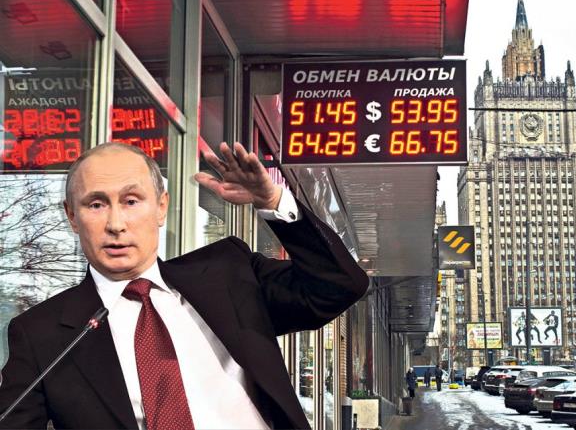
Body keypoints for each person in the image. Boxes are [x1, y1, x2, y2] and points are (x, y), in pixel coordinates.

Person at [0, 142, 369, 430]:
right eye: (96, 205)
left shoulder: (228, 273)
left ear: (161, 207)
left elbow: (339, 286)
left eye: (131, 201)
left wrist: (272, 200)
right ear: (72, 216)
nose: (116, 224)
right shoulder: (40, 335)